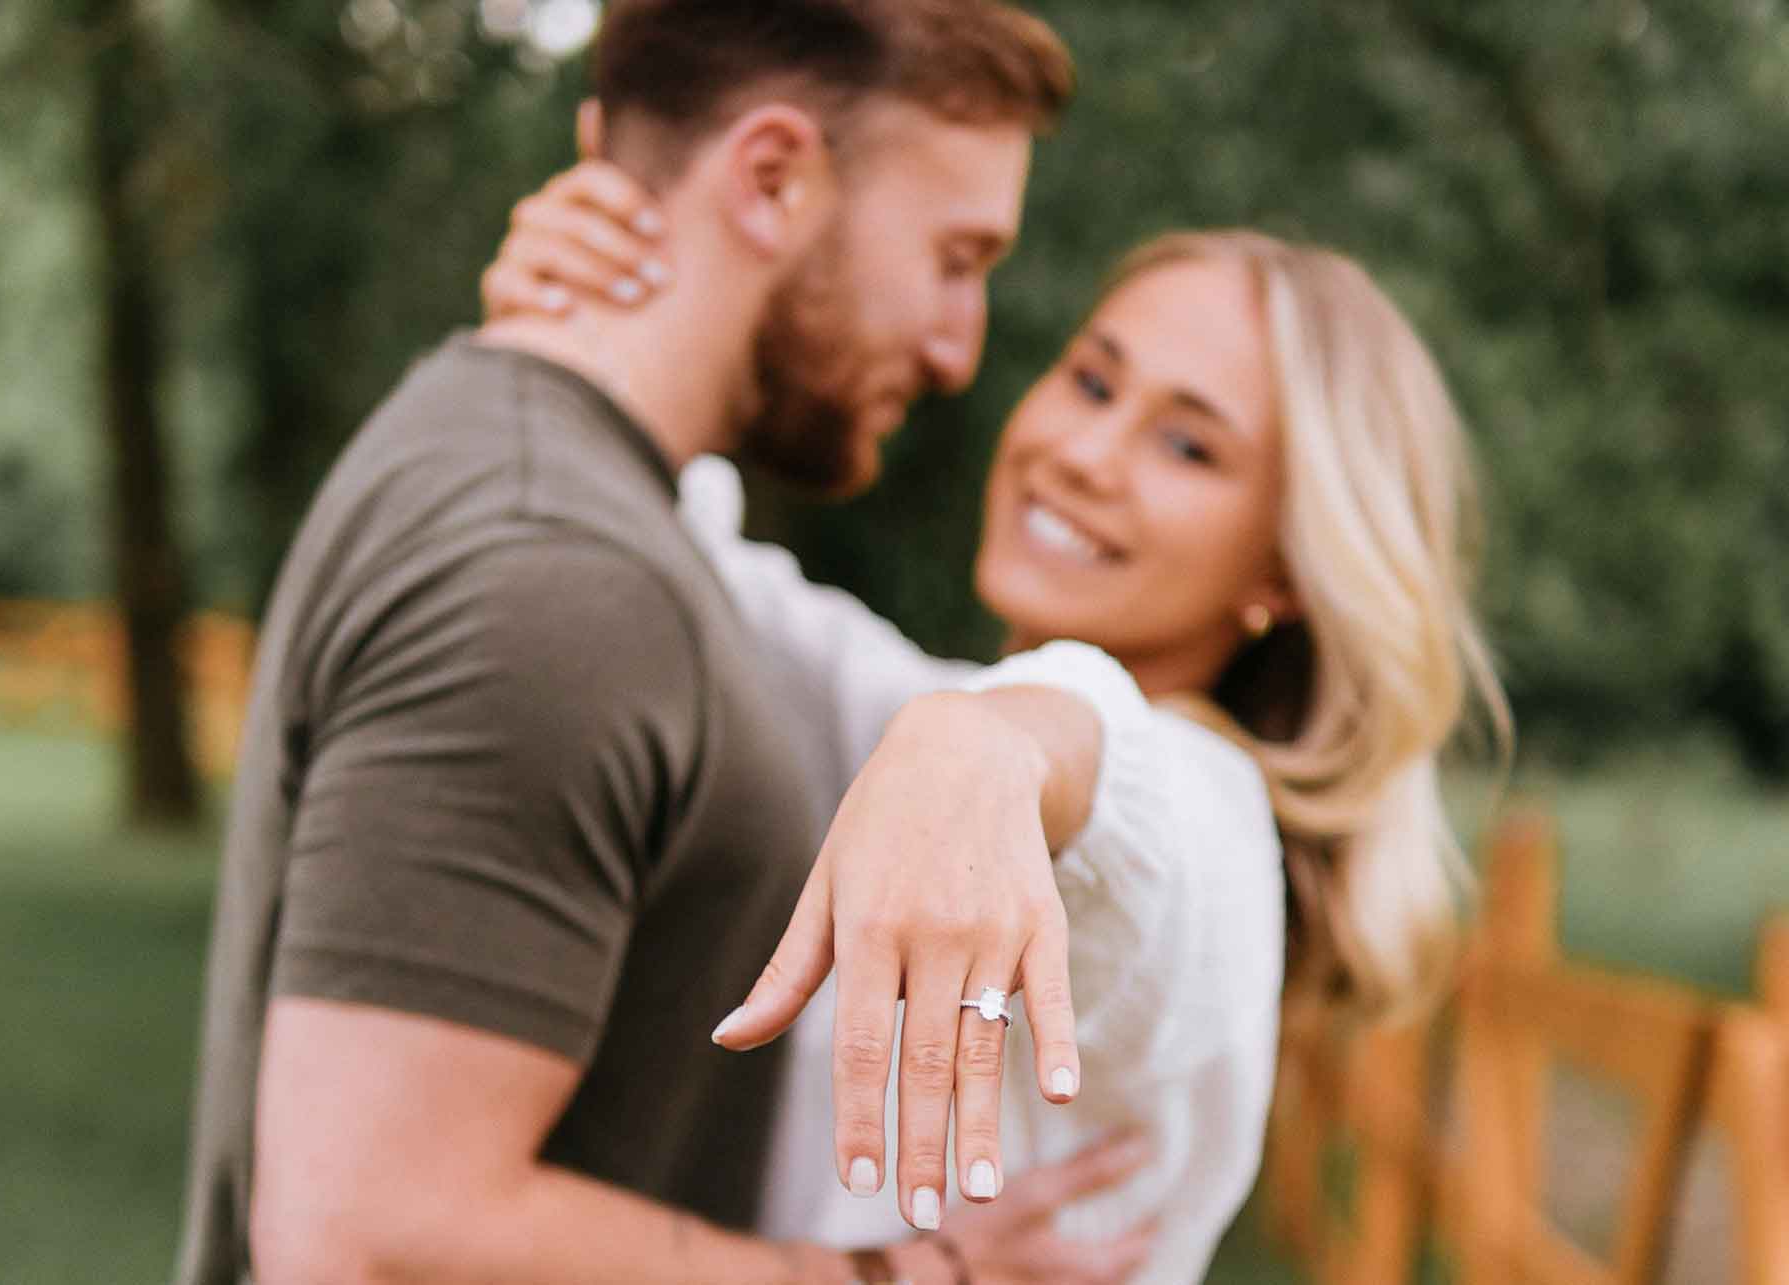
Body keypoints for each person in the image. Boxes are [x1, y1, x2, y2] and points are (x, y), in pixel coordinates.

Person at [172, 4, 1164, 1283]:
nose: (957, 347)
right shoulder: (556, 571)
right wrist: (903, 1276)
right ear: (770, 179)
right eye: (953, 257)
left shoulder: (536, 476)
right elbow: (367, 1233)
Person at [481, 161, 1514, 1279]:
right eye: (1091, 381)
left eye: (1189, 447)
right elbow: (725, 580)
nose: (1083, 453)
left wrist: (996, 744)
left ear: (1286, 569)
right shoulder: (916, 707)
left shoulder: (1210, 831)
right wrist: (575, 324)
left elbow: (1127, 785)